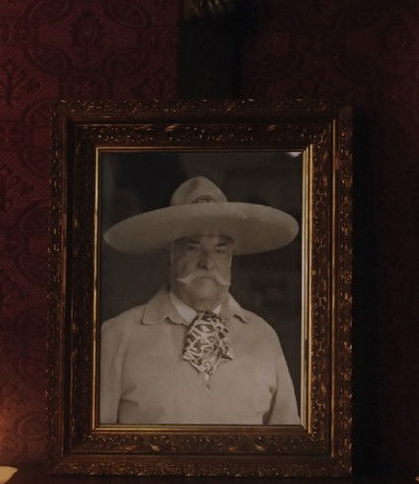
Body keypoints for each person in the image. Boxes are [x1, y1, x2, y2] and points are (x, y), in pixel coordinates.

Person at [100, 176, 300, 425]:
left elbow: (287, 442)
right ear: (170, 254)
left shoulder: (264, 337)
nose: (207, 263)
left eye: (220, 250)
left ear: (231, 259)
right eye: (193, 247)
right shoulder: (118, 336)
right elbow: (91, 444)